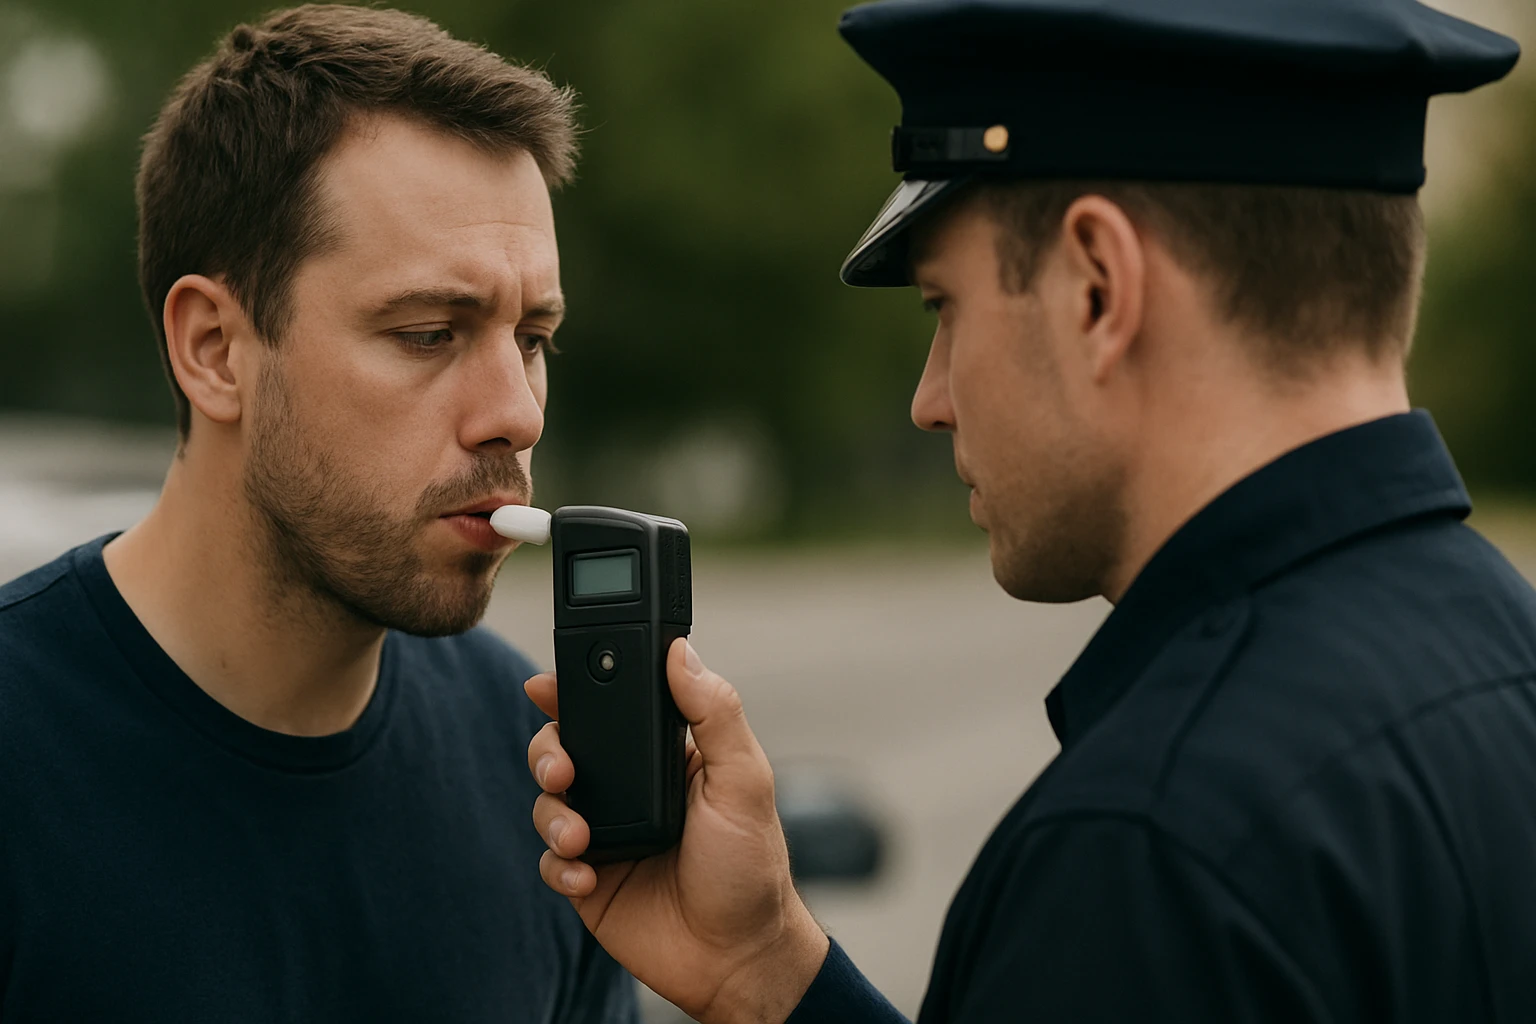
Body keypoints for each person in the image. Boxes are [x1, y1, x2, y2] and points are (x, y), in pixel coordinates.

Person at [524, 0, 1530, 1021]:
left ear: (1098, 287)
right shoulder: (1503, 659)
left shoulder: (1149, 849)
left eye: (944, 310)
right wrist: (768, 970)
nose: (930, 397)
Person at [0, 5, 637, 1020]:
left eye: (532, 338)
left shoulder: (540, 773)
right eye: (430, 332)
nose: (514, 414)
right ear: (214, 348)